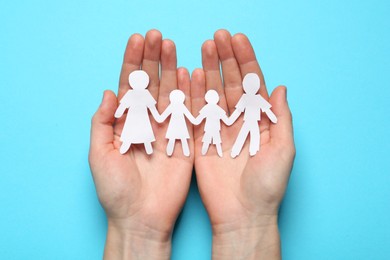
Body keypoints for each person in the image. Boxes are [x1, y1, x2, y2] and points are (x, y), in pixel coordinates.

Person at [89, 29, 295, 259]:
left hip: (217, 127)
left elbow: (172, 115)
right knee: (151, 138)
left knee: (160, 139)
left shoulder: (233, 102)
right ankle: (163, 146)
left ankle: (218, 147)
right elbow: (165, 114)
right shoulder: (214, 104)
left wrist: (252, 221)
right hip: (192, 127)